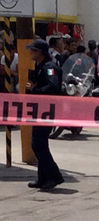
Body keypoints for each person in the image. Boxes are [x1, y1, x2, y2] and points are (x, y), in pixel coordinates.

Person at [25, 39, 65, 191]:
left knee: (38, 144)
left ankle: (54, 176)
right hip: (40, 110)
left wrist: (35, 90)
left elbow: (52, 87)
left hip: (47, 110)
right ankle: (43, 178)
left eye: (33, 50)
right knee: (39, 144)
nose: (30, 52)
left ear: (40, 52)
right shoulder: (40, 66)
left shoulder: (49, 67)